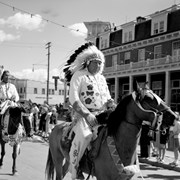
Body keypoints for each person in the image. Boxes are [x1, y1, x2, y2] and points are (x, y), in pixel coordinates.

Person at [63, 42, 117, 180]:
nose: (98, 66)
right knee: (85, 135)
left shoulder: (102, 79)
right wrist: (87, 114)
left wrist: (111, 104)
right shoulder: (79, 75)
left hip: (103, 115)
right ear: (88, 63)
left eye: (100, 63)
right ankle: (75, 168)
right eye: (95, 62)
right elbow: (73, 98)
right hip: (83, 115)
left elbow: (107, 97)